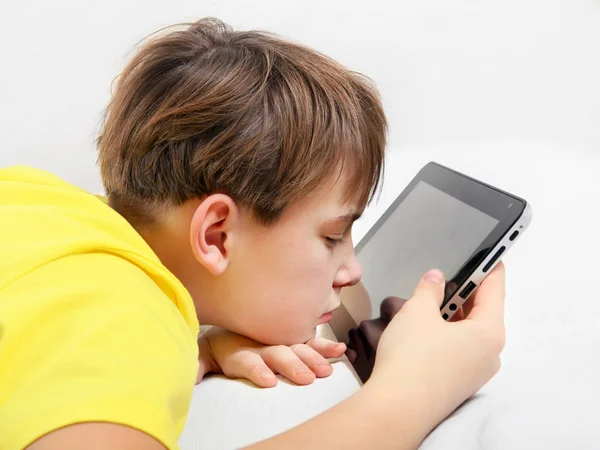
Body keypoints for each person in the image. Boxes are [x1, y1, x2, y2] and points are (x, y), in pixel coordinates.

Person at [0, 18, 506, 450]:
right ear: (217, 236)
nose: (353, 270)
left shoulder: (34, 197)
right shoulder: (121, 315)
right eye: (332, 236)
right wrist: (408, 396)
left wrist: (197, 345)